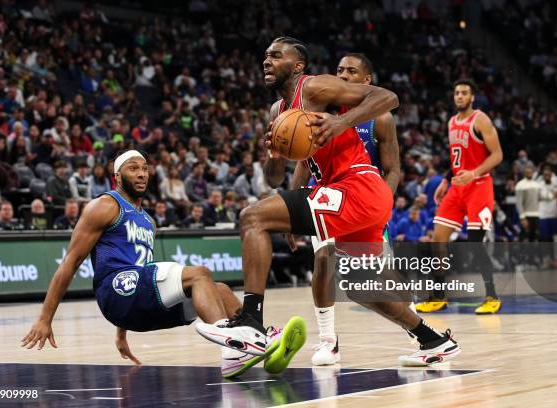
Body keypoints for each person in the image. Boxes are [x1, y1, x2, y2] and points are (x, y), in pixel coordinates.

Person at [196, 37, 459, 368]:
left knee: (253, 217)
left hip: (358, 187)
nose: (266, 61)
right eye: (265, 56)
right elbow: (274, 179)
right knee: (361, 289)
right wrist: (275, 155)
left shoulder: (315, 87)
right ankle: (433, 340)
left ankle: (250, 321)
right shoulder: (278, 111)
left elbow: (388, 97)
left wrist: (340, 122)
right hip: (348, 195)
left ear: (297, 65)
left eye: (276, 56)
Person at [22, 150, 298, 379]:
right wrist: (45, 318)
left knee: (221, 290)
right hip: (113, 291)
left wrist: (122, 331)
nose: (141, 174)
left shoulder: (148, 221)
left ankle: (255, 341)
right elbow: (70, 262)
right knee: (199, 274)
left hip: (133, 307)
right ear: (117, 176)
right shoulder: (105, 205)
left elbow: (144, 283)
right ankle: (233, 346)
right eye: (133, 168)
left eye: (144, 168)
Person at [287, 53, 405, 366]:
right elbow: (303, 161)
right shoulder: (320, 107)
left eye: (352, 71)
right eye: (339, 70)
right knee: (323, 260)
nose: (344, 75)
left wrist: (385, 207)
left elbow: (393, 169)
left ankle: (420, 330)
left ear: (367, 81)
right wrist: (292, 202)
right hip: (327, 197)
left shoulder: (379, 118)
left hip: (366, 200)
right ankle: (328, 340)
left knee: (372, 282)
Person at [417, 79, 504, 315]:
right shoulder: (451, 122)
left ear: (472, 97)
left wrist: (474, 173)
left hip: (479, 186)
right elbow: (457, 157)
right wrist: (446, 180)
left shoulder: (481, 119)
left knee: (475, 245)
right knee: (437, 240)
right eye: (456, 93)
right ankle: (438, 296)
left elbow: (497, 155)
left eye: (464, 93)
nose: (459, 96)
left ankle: (492, 296)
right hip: (457, 187)